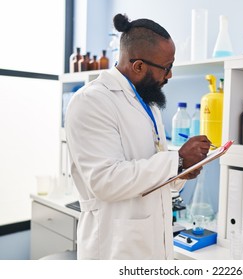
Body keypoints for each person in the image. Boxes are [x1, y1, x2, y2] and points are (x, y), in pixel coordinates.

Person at [65, 13, 211, 260]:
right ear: (139, 66)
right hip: (114, 247)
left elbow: (151, 170)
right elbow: (105, 181)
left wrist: (182, 170)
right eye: (167, 67)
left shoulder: (148, 103)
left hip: (152, 244)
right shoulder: (91, 101)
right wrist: (175, 161)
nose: (170, 75)